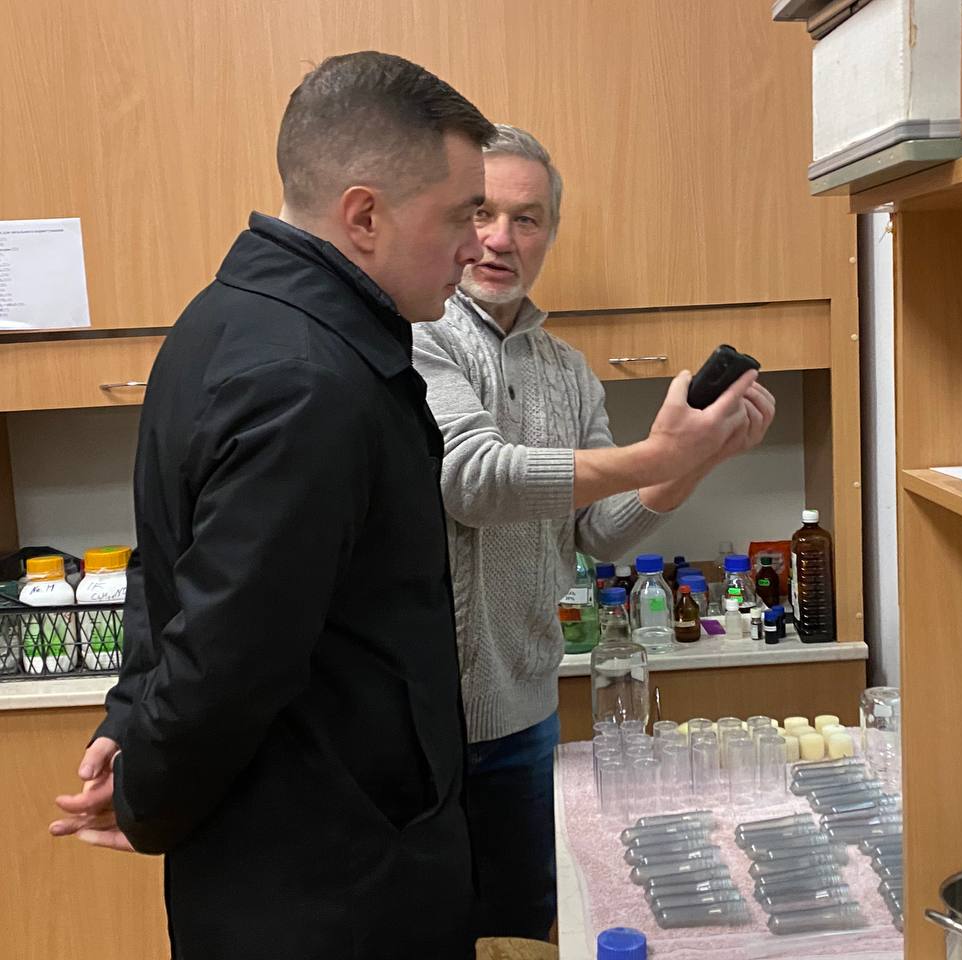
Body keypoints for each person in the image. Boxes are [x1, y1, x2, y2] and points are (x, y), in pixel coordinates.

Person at [49, 52, 494, 960]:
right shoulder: (308, 383)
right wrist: (147, 793)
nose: (477, 246)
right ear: (364, 216)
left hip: (306, 858)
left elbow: (172, 571)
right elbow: (227, 657)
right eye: (461, 215)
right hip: (331, 887)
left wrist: (132, 719)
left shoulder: (229, 318)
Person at [412, 124, 776, 940]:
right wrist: (658, 453)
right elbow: (472, 479)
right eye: (482, 213)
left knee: (523, 934)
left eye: (527, 219)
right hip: (423, 732)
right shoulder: (417, 336)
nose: (500, 239)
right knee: (427, 938)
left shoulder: (568, 371)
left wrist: (694, 462)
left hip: (527, 714)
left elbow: (601, 533)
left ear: (550, 234)